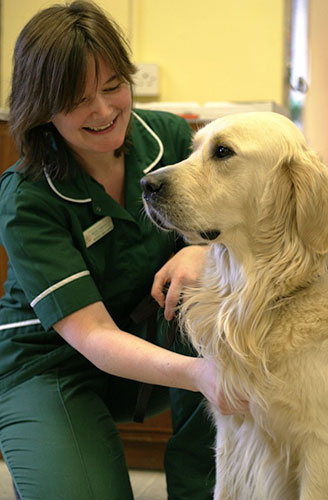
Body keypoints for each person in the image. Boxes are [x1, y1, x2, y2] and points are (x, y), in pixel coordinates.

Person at [0, 2, 237, 499]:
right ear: (42, 107)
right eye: (78, 99)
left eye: (113, 87)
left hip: (149, 339)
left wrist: (203, 252)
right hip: (51, 363)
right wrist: (202, 375)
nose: (105, 111)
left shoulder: (169, 138)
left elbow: (232, 229)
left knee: (217, 310)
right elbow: (92, 335)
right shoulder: (27, 197)